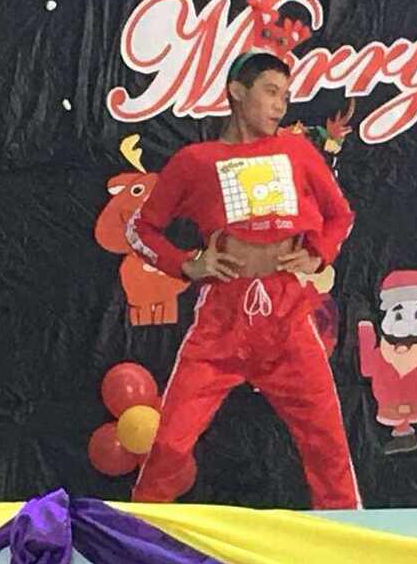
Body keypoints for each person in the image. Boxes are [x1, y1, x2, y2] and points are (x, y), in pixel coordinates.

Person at [126, 50, 361, 509]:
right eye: (271, 92)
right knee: (169, 444)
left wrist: (318, 253)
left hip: (288, 314)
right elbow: (141, 228)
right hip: (223, 318)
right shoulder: (196, 160)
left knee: (328, 444)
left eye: (285, 97)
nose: (280, 106)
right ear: (237, 92)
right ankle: (136, 537)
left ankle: (347, 536)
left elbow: (340, 215)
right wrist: (186, 264)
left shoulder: (297, 151)